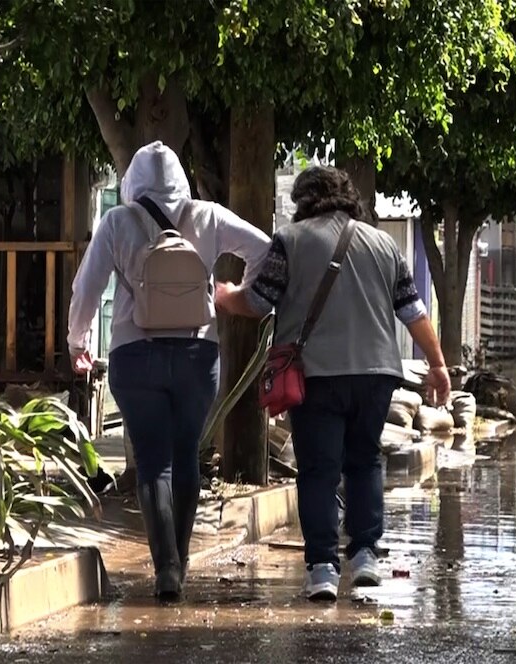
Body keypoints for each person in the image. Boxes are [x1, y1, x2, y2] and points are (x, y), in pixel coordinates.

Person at [215, 166, 449, 601]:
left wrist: (226, 296)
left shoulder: (290, 240)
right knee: (365, 461)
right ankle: (364, 556)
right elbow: (413, 311)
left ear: (304, 201)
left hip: (316, 375)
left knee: (319, 471)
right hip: (376, 375)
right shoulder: (384, 244)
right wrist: (437, 364)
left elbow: (259, 302)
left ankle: (322, 568)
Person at [67, 141, 271, 601]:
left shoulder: (117, 222)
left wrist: (78, 342)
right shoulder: (208, 216)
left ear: (132, 182)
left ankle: (167, 569)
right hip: (199, 355)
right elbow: (267, 250)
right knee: (186, 456)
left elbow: (87, 287)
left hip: (134, 354)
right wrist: (238, 297)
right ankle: (178, 562)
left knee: (152, 462)